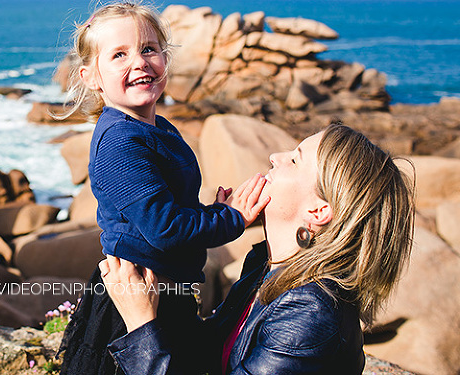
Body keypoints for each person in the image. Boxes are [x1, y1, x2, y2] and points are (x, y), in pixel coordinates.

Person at [56, 0, 269, 375]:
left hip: (164, 294)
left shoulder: (157, 128)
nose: (138, 62)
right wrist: (230, 218)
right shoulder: (121, 142)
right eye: (119, 55)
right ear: (92, 77)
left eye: (149, 49)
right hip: (134, 306)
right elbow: (165, 229)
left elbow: (169, 211)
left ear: (165, 59)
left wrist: (211, 212)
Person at [100, 123, 415, 375]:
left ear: (319, 211)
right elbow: (208, 353)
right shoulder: (267, 266)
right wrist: (196, 233)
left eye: (294, 159)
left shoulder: (310, 315)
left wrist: (141, 325)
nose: (276, 156)